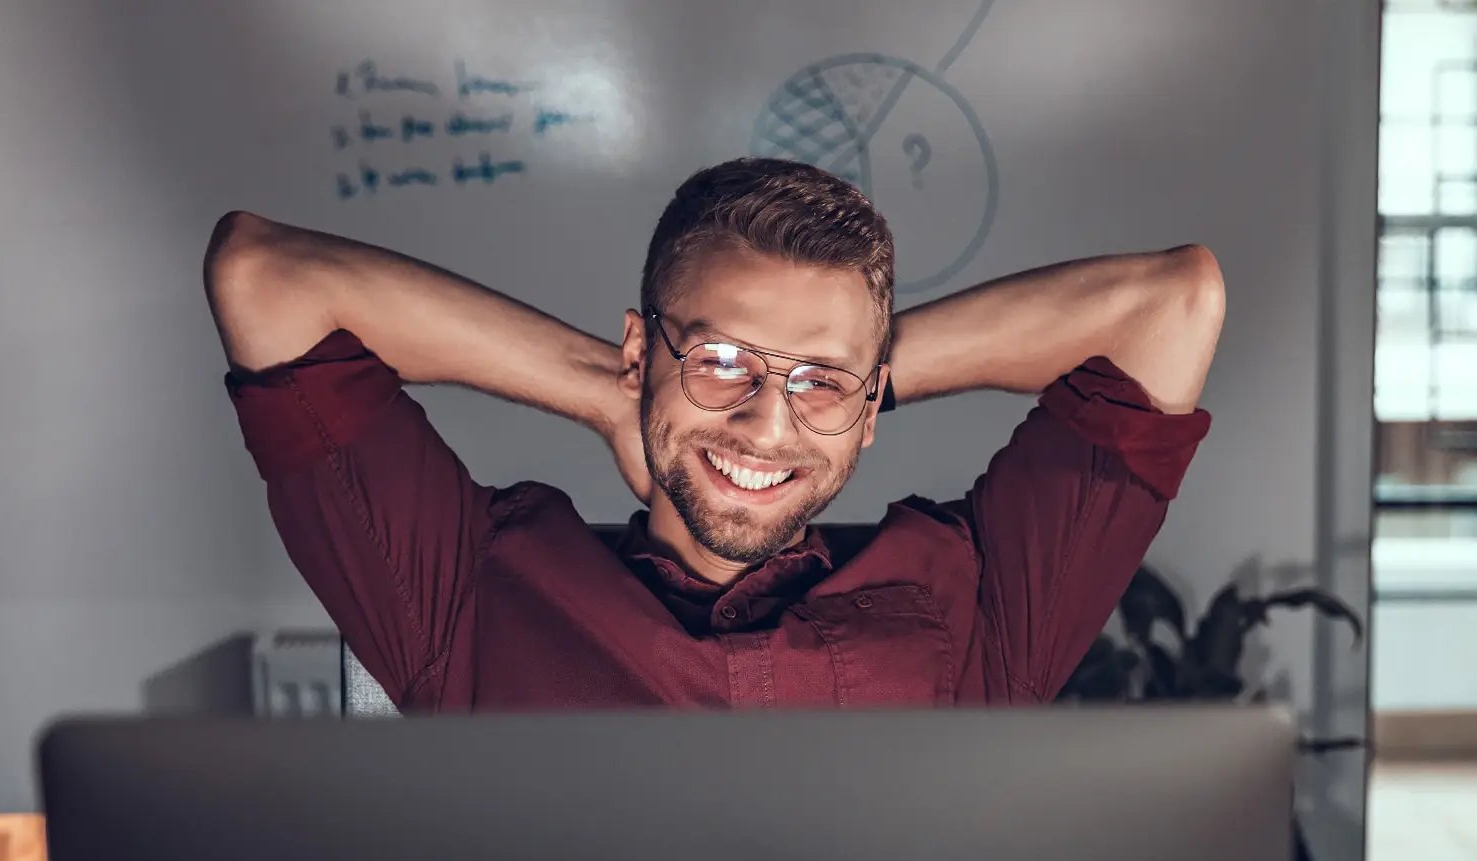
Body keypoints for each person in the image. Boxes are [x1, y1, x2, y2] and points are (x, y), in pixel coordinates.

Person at [204, 157, 1223, 712]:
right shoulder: (468, 590)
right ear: (643, 352)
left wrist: (843, 378)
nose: (765, 425)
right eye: (722, 361)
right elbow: (267, 279)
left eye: (820, 386)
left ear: (872, 408)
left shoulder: (989, 602)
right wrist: (608, 391)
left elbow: (1172, 305)